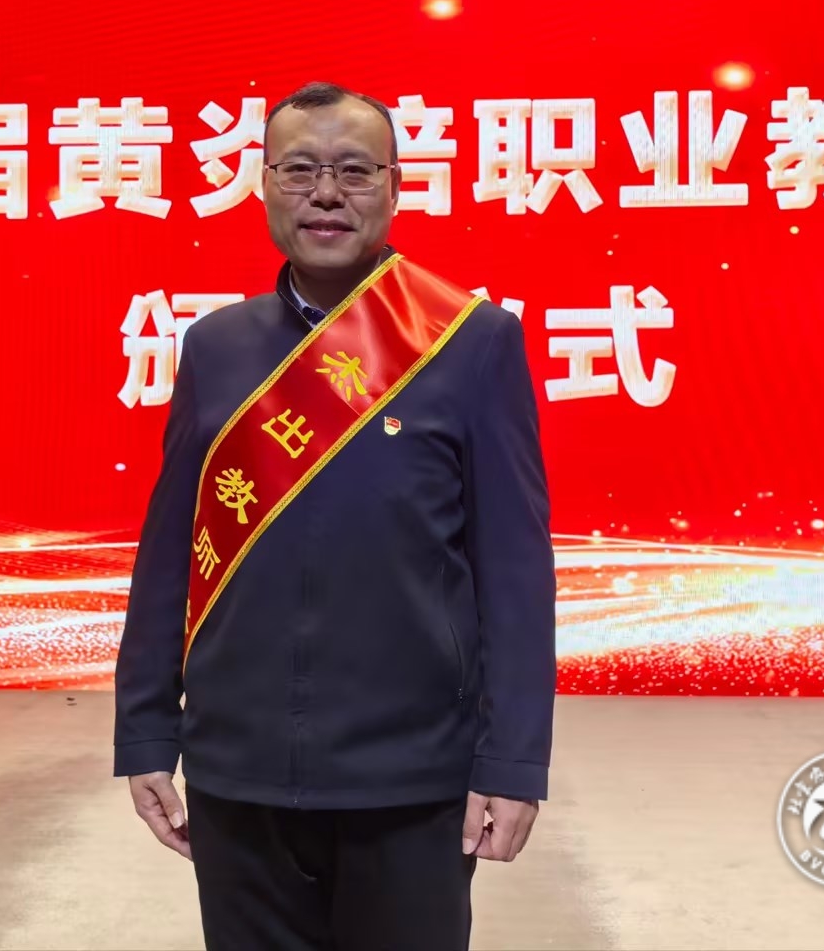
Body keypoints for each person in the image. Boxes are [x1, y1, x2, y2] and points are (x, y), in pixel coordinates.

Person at [112, 80, 558, 950]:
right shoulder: (215, 348)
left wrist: (513, 760)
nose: (326, 193)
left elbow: (513, 570)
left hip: (413, 779)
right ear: (263, 185)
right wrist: (145, 732)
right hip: (236, 771)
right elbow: (170, 558)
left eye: (354, 171)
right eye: (300, 170)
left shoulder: (473, 342)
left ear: (395, 186)